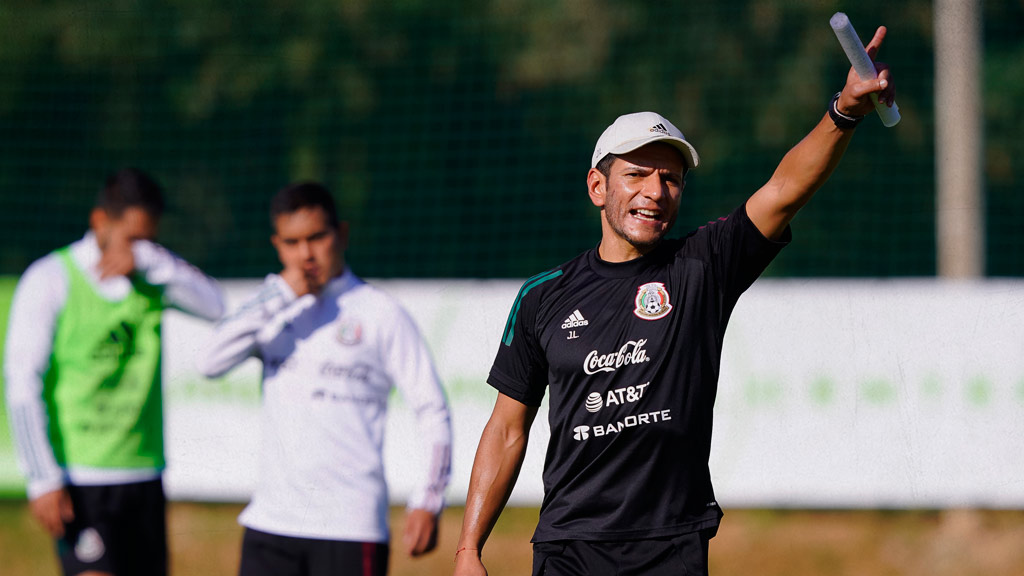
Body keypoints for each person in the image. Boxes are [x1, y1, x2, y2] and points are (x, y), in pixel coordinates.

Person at [454, 27, 896, 576]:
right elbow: (506, 428)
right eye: (637, 174)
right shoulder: (542, 296)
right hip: (569, 549)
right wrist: (469, 548)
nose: (656, 191)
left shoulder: (703, 266)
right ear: (598, 187)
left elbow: (784, 191)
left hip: (670, 546)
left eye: (671, 179)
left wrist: (844, 111)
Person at [198, 181, 453, 576]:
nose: (305, 254)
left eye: (317, 237)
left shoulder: (380, 313)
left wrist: (428, 499)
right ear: (276, 244)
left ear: (342, 234)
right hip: (271, 524)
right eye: (291, 242)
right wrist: (282, 293)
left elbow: (432, 409)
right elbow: (209, 361)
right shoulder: (272, 307)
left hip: (350, 528)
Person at [3, 167, 226, 576]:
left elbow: (218, 308)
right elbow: (21, 384)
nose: (139, 249)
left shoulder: (152, 276)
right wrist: (42, 477)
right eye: (132, 238)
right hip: (81, 478)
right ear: (99, 222)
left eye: (149, 240)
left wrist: (150, 260)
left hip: (144, 473)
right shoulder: (51, 279)